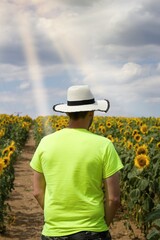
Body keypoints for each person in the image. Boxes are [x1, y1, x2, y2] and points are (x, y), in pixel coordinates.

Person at [30, 85, 124, 240]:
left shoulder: (46, 143)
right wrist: (101, 226)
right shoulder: (104, 145)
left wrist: (57, 219)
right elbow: (113, 199)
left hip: (53, 232)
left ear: (67, 112)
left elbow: (37, 192)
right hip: (92, 230)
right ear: (92, 112)